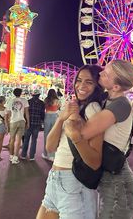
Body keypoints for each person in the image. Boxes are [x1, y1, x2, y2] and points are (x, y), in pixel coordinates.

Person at [65, 59, 133, 219]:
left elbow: (83, 133)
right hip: (112, 178)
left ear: (116, 87)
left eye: (105, 74)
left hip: (119, 185)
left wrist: (72, 116)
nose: (100, 72)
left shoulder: (120, 104)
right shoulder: (107, 99)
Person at [36, 64, 105, 219]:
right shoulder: (74, 107)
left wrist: (76, 137)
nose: (81, 86)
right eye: (79, 80)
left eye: (89, 82)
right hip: (55, 179)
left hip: (73, 182)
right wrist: (61, 118)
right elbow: (50, 147)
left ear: (98, 85)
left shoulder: (93, 109)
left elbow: (95, 161)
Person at [6, 88, 29, 164]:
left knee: (12, 139)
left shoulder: (10, 101)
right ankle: (15, 157)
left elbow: (8, 113)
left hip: (13, 121)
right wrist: (28, 122)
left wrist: (8, 123)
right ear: (21, 93)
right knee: (18, 140)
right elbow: (26, 113)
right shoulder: (24, 100)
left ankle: (11, 156)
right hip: (22, 121)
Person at [21, 90, 45, 161]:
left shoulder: (28, 102)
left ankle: (23, 155)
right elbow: (42, 114)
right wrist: (42, 121)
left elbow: (25, 113)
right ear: (39, 95)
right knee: (34, 140)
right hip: (37, 123)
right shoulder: (42, 103)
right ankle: (32, 156)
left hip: (28, 123)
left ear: (32, 95)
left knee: (26, 139)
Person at [42, 89, 60, 161]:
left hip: (47, 116)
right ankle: (52, 155)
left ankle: (45, 153)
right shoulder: (57, 100)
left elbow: (44, 108)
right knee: (54, 135)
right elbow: (58, 107)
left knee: (46, 135)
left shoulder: (46, 100)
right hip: (55, 117)